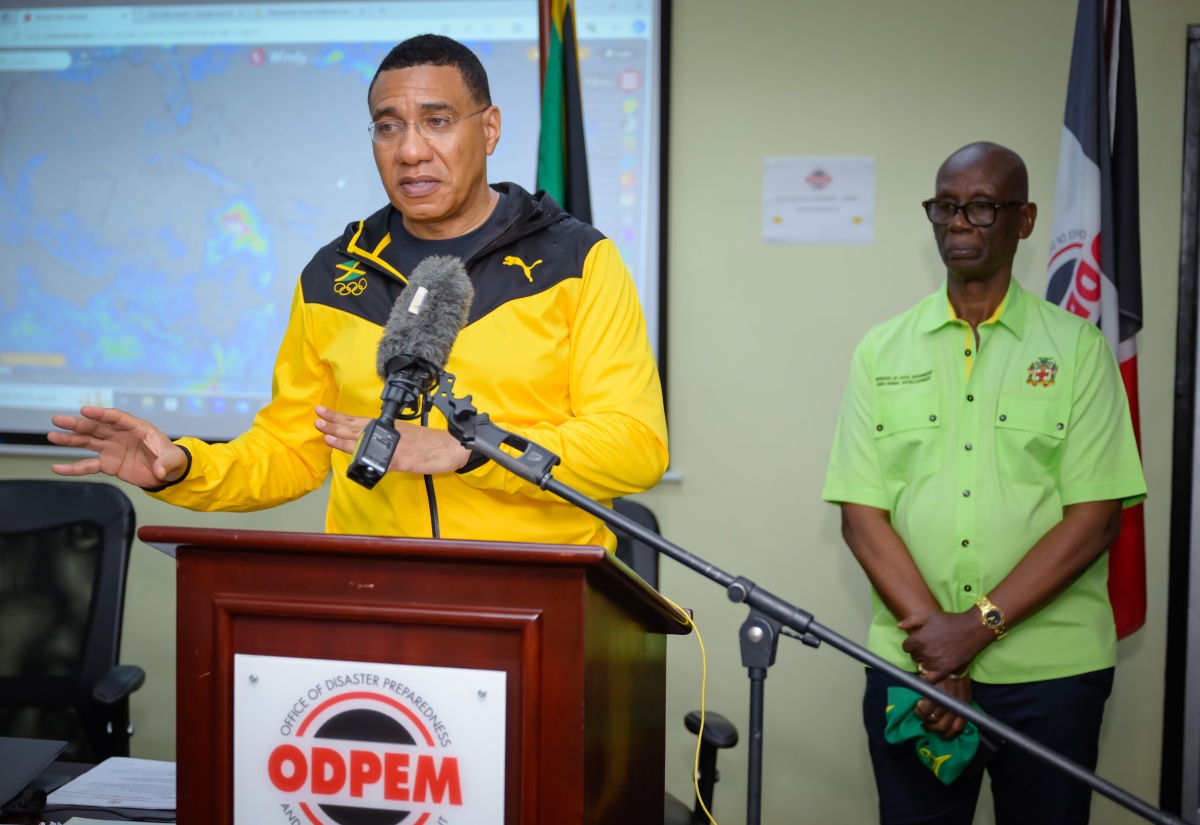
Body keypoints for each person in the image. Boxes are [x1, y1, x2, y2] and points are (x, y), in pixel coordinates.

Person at [47, 34, 668, 548]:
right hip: (376, 595)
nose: (411, 150)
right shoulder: (332, 276)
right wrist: (183, 467)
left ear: (491, 128)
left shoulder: (578, 259)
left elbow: (635, 447)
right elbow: (291, 451)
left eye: (438, 121)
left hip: (538, 597)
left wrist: (471, 450)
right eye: (388, 127)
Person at [821, 141, 1146, 825]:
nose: (957, 223)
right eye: (944, 206)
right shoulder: (882, 350)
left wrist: (974, 629)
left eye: (979, 207)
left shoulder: (1079, 352)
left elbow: (1095, 517)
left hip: (1050, 677)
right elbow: (861, 512)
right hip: (914, 668)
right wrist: (938, 650)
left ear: (1024, 221)